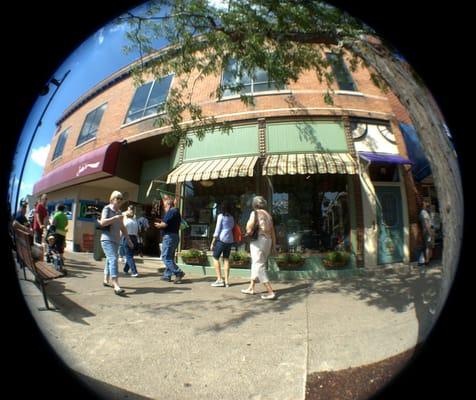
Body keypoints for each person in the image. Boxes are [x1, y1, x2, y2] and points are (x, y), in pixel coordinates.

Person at [241, 196, 277, 300]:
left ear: (254, 204)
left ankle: (270, 291)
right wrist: (274, 246)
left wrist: (248, 228)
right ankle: (251, 287)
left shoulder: (255, 213)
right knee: (257, 263)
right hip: (268, 241)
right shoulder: (268, 215)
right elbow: (273, 232)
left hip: (258, 241)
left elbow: (249, 227)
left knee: (259, 265)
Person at [99, 191, 134, 295]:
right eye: (117, 198)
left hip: (116, 240)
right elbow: (102, 222)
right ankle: (116, 284)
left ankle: (105, 279)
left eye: (121, 199)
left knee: (110, 259)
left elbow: (122, 227)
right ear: (112, 199)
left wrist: (128, 240)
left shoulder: (119, 212)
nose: (119, 200)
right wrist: (114, 218)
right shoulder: (107, 209)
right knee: (113, 259)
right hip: (106, 239)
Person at [154, 198, 185, 283]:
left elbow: (164, 224)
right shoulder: (177, 212)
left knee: (165, 257)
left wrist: (158, 225)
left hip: (169, 237)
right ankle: (167, 275)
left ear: (168, 205)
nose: (164, 208)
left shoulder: (171, 211)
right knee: (170, 257)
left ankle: (179, 272)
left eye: (164, 206)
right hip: (174, 236)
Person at [210, 201, 235, 287]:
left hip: (222, 239)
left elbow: (217, 231)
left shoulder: (220, 216)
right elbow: (232, 227)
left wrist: (212, 242)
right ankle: (227, 281)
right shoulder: (232, 217)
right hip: (230, 239)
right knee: (226, 259)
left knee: (215, 257)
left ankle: (220, 279)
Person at [122, 207, 140, 277]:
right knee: (130, 255)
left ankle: (134, 272)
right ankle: (126, 269)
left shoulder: (126, 221)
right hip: (134, 238)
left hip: (127, 237)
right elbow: (137, 232)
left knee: (128, 256)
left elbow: (122, 231)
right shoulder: (135, 222)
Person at [50, 203, 68, 268]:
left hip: (57, 232)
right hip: (63, 233)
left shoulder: (56, 214)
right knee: (61, 247)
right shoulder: (65, 216)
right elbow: (66, 224)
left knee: (54, 246)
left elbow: (53, 224)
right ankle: (61, 261)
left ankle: (57, 260)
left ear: (58, 208)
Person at [419, 199, 435, 266]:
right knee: (428, 246)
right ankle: (427, 261)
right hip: (427, 231)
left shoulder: (425, 212)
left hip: (428, 230)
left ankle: (429, 259)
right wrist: (430, 232)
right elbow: (426, 224)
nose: (428, 205)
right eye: (426, 203)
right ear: (423, 205)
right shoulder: (423, 213)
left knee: (430, 246)